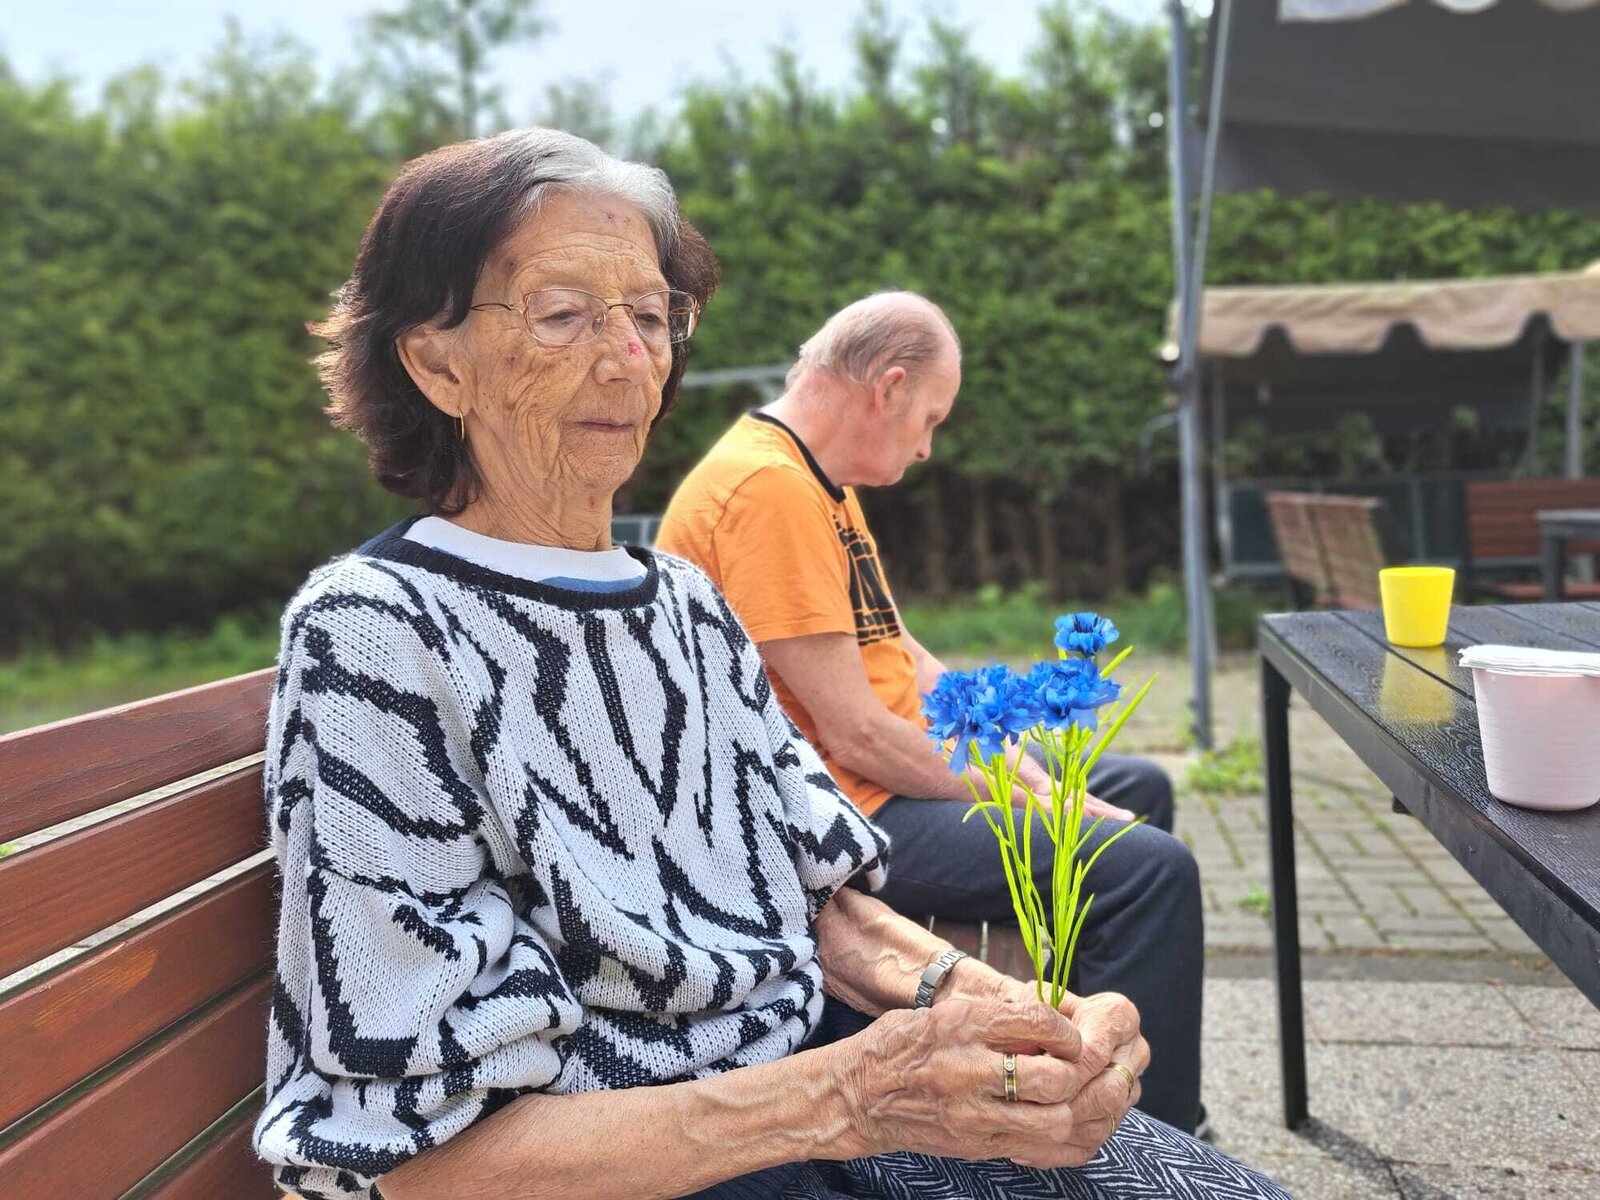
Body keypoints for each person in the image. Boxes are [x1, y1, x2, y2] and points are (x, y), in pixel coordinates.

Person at [253, 128, 1284, 1200]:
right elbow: (418, 1162)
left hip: (809, 1104)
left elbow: (821, 906)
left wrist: (1017, 1021)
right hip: (667, 1164)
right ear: (436, 362)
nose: (628, 357)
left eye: (650, 315)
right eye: (562, 314)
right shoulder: (380, 632)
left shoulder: (683, 605)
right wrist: (851, 1096)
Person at [657, 292, 1206, 1135]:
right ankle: (1147, 1144)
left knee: (1140, 790)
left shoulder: (814, 479)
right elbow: (856, 735)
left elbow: (905, 653)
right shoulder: (767, 491)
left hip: (878, 785)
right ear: (889, 386)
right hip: (837, 820)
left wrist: (1013, 751)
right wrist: (1026, 794)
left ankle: (1068, 1071)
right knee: (1149, 871)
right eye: (931, 419)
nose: (926, 447)